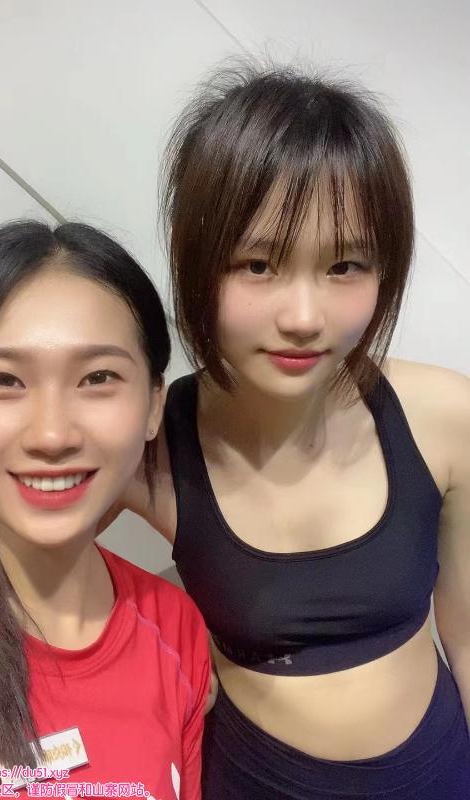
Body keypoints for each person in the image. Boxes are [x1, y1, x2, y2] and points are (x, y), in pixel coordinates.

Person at [111, 63, 470, 798]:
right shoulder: (154, 442)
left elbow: (468, 638)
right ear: (194, 257)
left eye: (345, 265)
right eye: (258, 264)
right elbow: (1, 551)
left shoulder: (444, 416)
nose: (304, 317)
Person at [0, 221, 210, 799]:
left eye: (98, 378)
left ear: (154, 404)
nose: (52, 435)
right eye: (4, 380)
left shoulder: (176, 629)